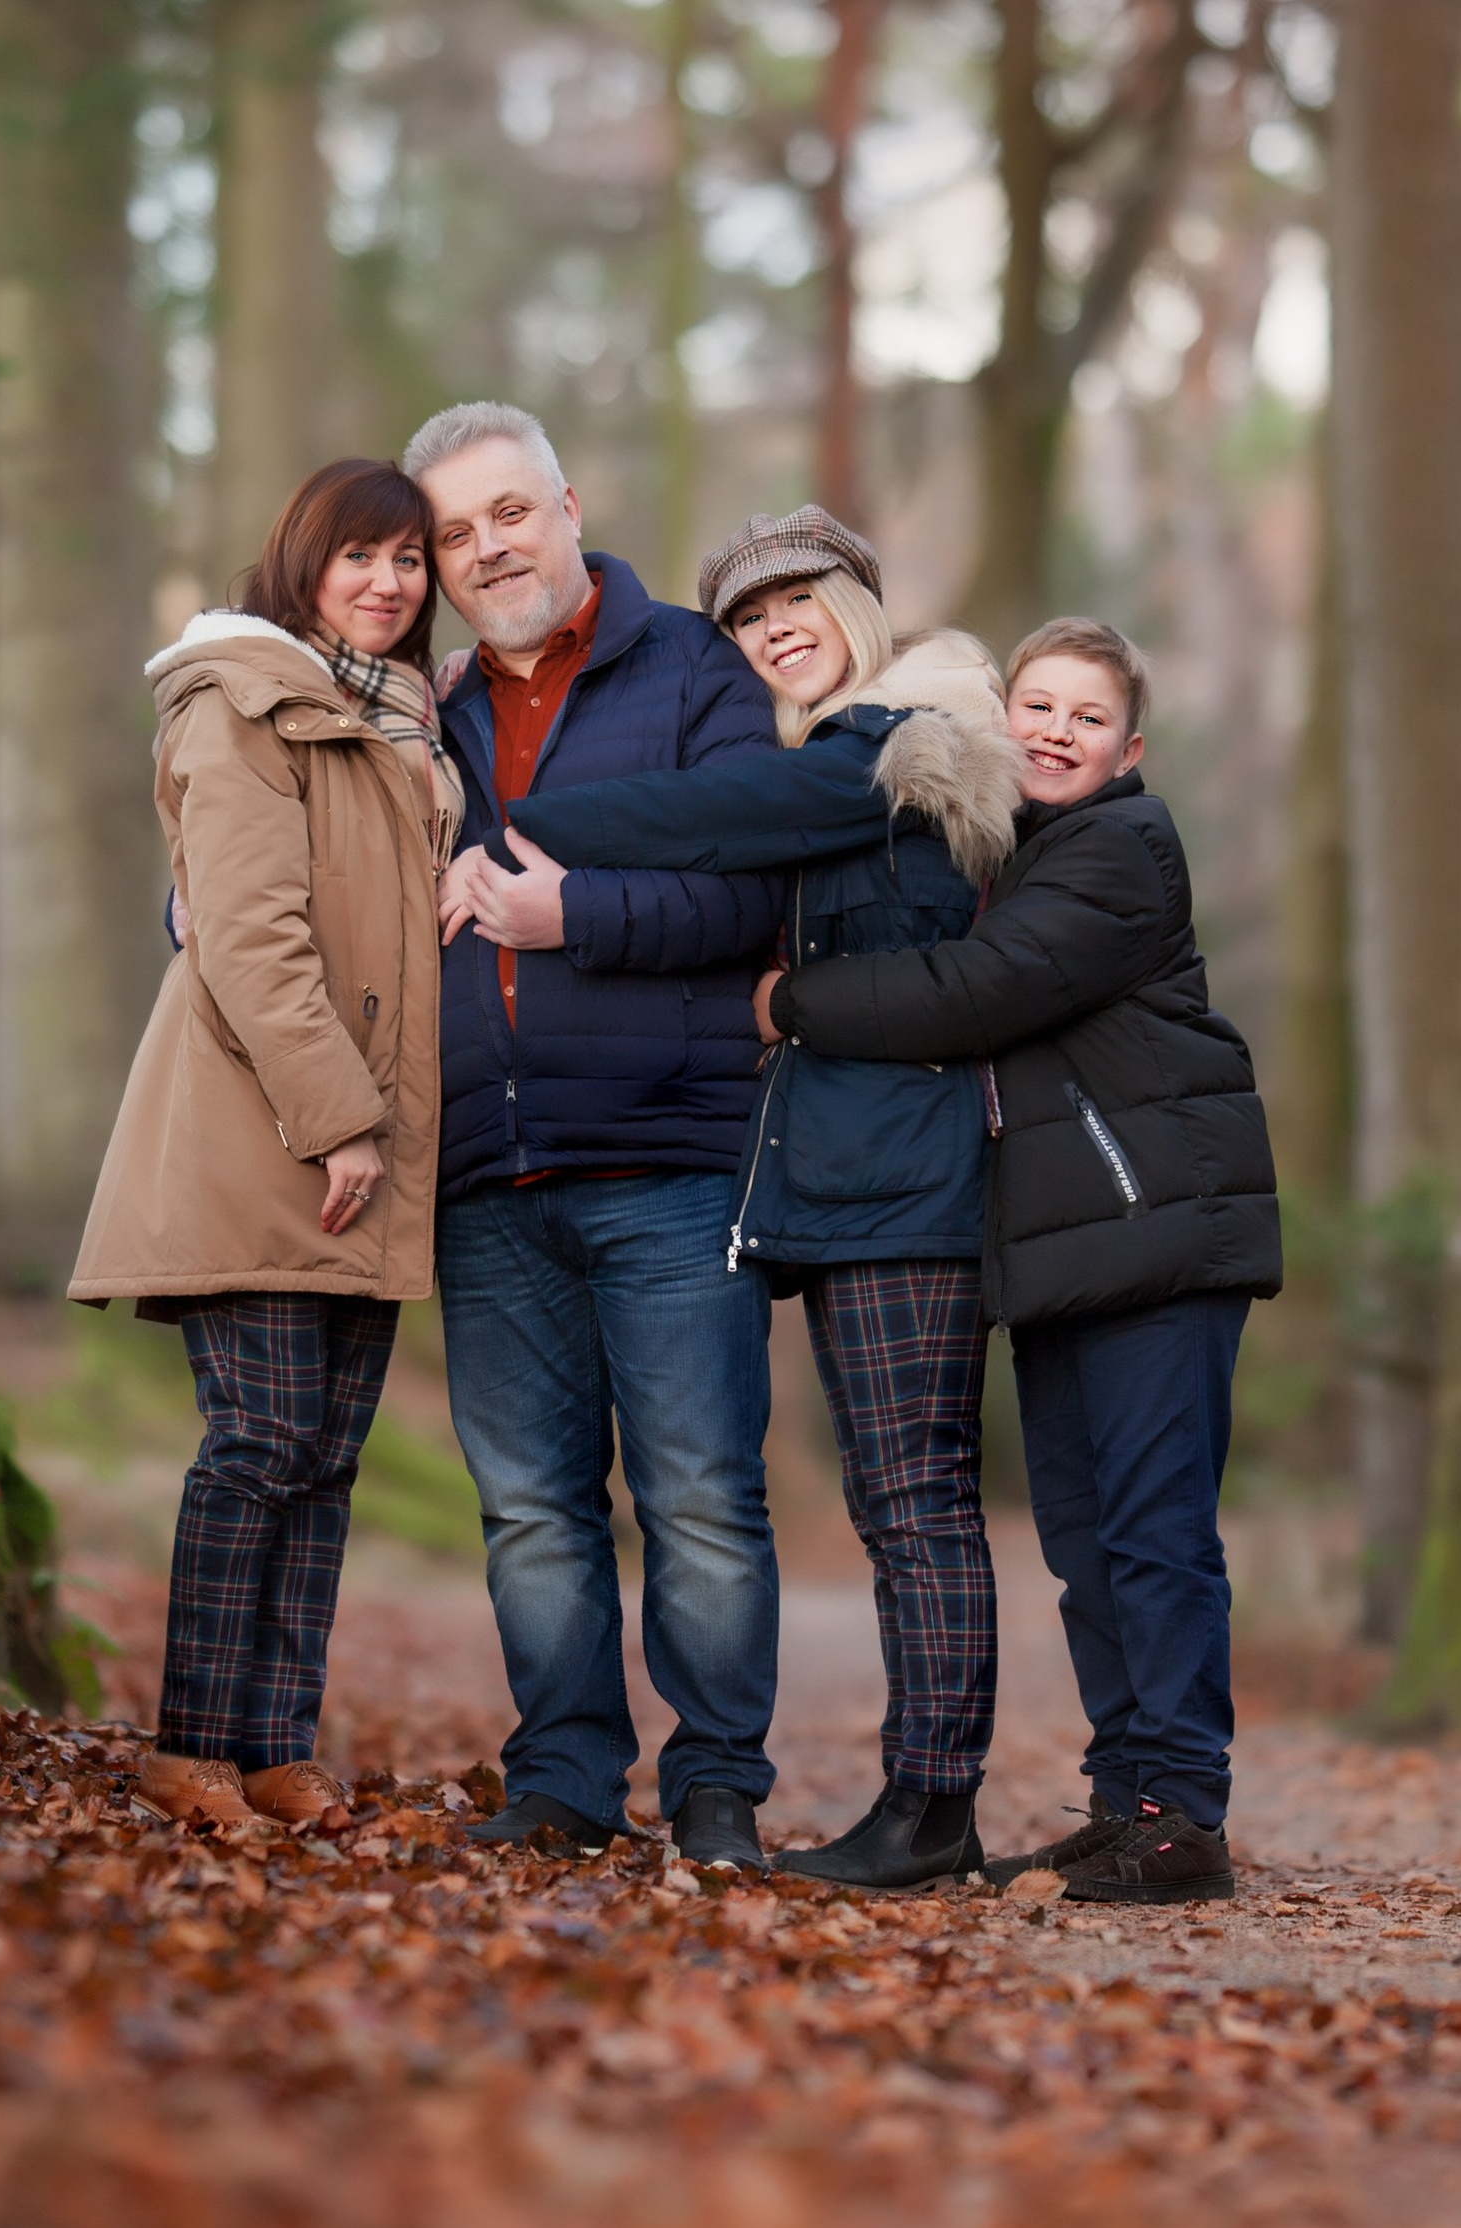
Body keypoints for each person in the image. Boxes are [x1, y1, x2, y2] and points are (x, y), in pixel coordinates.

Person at [514, 506, 1025, 1885]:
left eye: (798, 596)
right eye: (744, 617)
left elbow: (709, 815)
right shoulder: (834, 756)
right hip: (854, 1179)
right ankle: (928, 1805)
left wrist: (509, 816)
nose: (772, 628)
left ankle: (933, 1813)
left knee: (914, 1501)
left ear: (859, 601)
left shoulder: (896, 739)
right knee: (900, 1497)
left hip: (913, 1176)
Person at [764, 620, 1281, 1905]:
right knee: (1089, 1545)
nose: (1055, 730)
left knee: (1155, 1540)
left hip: (1159, 1238)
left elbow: (979, 990)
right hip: (1067, 1252)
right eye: (1035, 705)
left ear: (1129, 749)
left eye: (1085, 716)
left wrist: (788, 1006)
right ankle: (1128, 1803)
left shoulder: (1119, 851)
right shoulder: (1019, 851)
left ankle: (1181, 1815)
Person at [405, 399, 785, 1865]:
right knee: (531, 1509)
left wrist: (581, 914)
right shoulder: (418, 710)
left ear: (567, 503)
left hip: (672, 1159)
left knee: (697, 1491)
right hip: (487, 1168)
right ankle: (563, 1780)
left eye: (509, 511)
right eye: (454, 533)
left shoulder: (692, 670)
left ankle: (717, 1790)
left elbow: (752, 892)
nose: (488, 546)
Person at [70, 459, 456, 1820]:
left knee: (327, 1458)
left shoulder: (404, 731)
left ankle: (276, 1744)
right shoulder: (241, 703)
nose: (387, 583)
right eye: (360, 556)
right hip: (267, 1131)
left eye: (409, 561)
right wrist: (341, 1118)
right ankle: (191, 1747)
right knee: (259, 1441)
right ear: (303, 562)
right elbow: (250, 937)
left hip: (367, 1149)